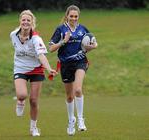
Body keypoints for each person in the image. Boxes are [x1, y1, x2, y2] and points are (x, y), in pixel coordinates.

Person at [49, 5, 97, 136]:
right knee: (70, 96)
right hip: (65, 65)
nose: (74, 18)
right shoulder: (60, 29)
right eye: (71, 16)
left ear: (78, 17)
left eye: (76, 16)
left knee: (78, 90)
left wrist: (92, 46)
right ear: (67, 16)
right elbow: (51, 48)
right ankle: (71, 120)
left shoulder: (83, 29)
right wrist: (63, 41)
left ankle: (81, 119)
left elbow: (94, 43)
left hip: (81, 62)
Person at [10, 9, 57, 137]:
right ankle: (20, 101)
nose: (25, 22)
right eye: (23, 20)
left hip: (36, 69)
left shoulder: (36, 39)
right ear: (20, 21)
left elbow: (41, 55)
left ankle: (33, 128)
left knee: (34, 101)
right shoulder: (13, 35)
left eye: (28, 20)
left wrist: (48, 68)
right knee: (22, 95)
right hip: (20, 68)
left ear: (32, 23)